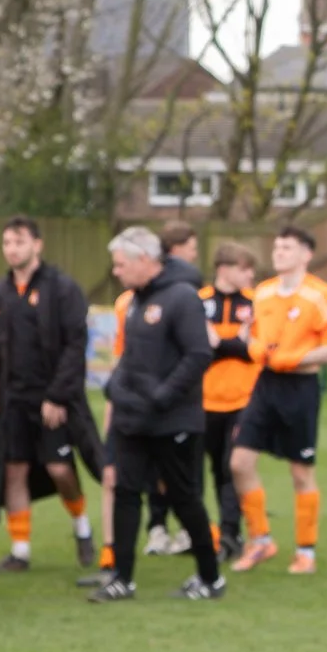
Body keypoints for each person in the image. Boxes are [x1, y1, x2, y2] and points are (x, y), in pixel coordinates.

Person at [86, 226, 224, 603]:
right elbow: (132, 355)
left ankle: (211, 578)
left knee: (183, 498)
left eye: (120, 265)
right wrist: (115, 386)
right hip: (134, 418)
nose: (116, 272)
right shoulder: (133, 301)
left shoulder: (182, 298)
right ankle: (122, 578)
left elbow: (198, 355)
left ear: (144, 261)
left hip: (173, 420)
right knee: (127, 492)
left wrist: (165, 396)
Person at [228, 226, 327, 575]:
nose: (279, 252)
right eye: (276, 246)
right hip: (265, 386)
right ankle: (260, 541)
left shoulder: (320, 295)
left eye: (287, 247)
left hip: (300, 390)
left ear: (305, 254)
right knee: (239, 463)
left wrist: (299, 357)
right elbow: (248, 336)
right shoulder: (261, 294)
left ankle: (305, 551)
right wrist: (253, 346)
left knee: (300, 472)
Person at [0, 215, 101, 571]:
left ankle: (81, 527)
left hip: (51, 398)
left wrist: (57, 396)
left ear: (37, 245)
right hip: (12, 399)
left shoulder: (62, 288)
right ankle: (20, 549)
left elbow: (75, 344)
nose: (12, 249)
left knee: (59, 469)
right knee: (14, 471)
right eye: (7, 242)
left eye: (20, 242)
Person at [145, 220, 207, 556]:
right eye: (192, 248)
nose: (195, 256)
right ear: (176, 249)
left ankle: (173, 530)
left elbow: (198, 349)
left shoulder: (188, 291)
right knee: (169, 469)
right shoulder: (146, 297)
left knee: (175, 469)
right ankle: (165, 528)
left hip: (175, 397)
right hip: (167, 398)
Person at [197, 242, 260, 562]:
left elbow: (253, 350)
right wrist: (234, 341)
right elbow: (199, 349)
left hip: (243, 400)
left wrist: (220, 341)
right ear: (224, 268)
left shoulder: (256, 303)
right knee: (211, 468)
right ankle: (216, 533)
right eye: (244, 268)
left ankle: (231, 534)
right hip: (205, 401)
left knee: (231, 467)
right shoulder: (200, 302)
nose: (250, 275)